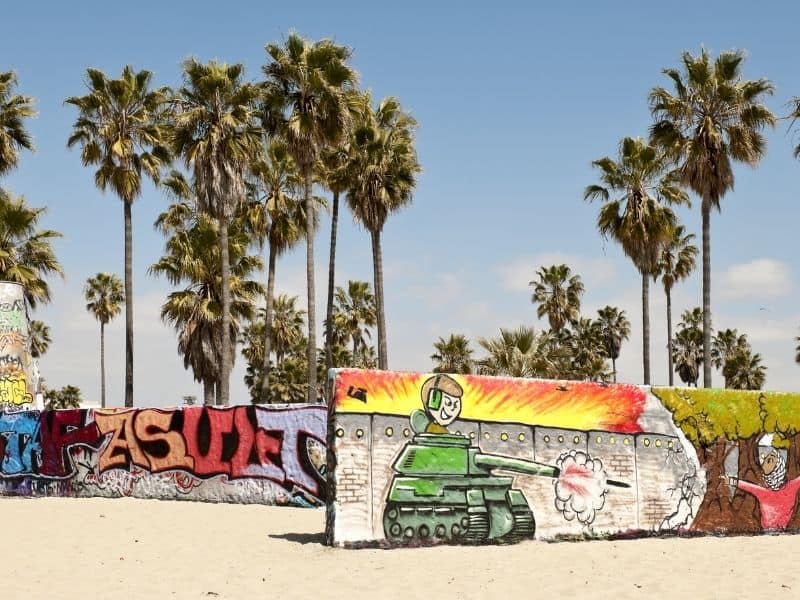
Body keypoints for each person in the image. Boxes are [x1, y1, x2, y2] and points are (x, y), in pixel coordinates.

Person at [722, 443, 800, 531]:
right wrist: (731, 481)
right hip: (771, 532)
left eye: (769, 460)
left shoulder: (788, 488)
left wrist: (731, 481)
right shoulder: (766, 493)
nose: (766, 461)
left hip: (774, 531)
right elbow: (748, 486)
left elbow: (748, 486)